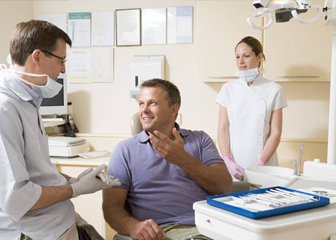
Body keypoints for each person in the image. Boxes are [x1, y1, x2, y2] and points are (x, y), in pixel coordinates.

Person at [0, 20, 119, 240]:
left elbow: (35, 172)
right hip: (38, 232)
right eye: (61, 60)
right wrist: (75, 189)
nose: (63, 69)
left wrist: (70, 180)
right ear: (37, 57)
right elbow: (17, 198)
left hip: (60, 218)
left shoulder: (28, 100)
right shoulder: (5, 109)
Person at [103, 79, 232, 240]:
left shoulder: (200, 140)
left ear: (173, 109)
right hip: (161, 232)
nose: (144, 110)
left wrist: (182, 159)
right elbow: (111, 206)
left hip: (210, 227)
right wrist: (133, 227)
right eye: (141, 104)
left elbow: (225, 186)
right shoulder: (124, 150)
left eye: (152, 104)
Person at [216, 36, 288, 180]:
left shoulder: (274, 89)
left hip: (265, 166)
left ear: (259, 57)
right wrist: (227, 160)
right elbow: (223, 128)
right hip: (234, 165)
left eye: (246, 56)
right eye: (237, 57)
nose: (240, 62)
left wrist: (260, 163)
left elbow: (275, 132)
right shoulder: (228, 89)